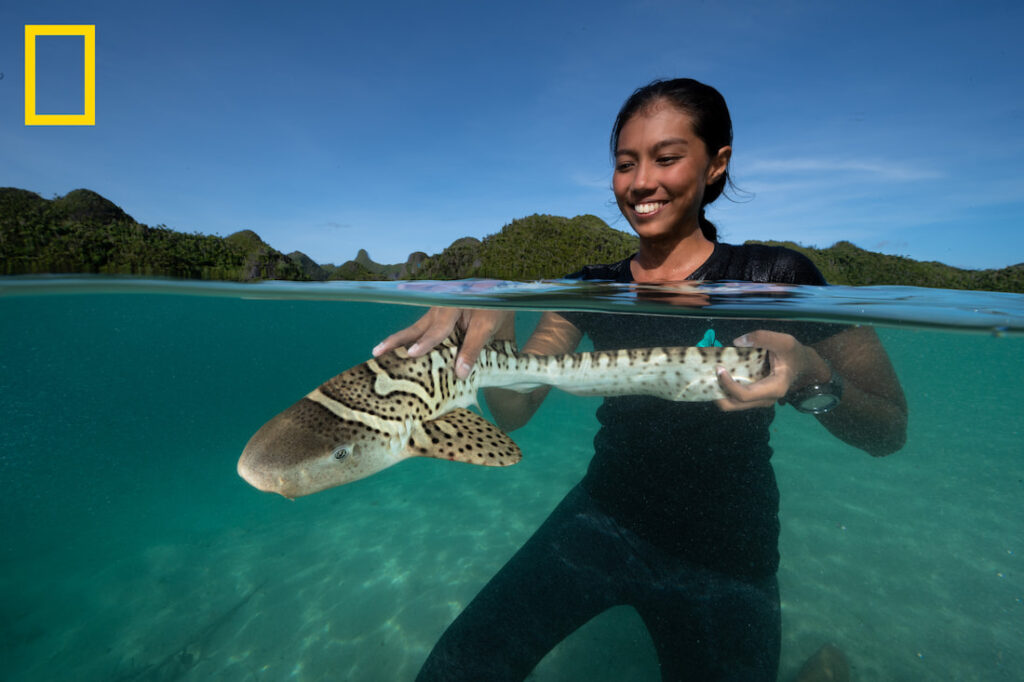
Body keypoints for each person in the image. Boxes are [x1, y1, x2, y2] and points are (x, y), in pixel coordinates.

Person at [373, 78, 907, 682]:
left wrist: (812, 376)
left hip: (730, 552)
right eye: (626, 164)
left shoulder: (779, 276)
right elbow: (515, 412)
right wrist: (495, 325)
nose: (641, 181)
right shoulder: (593, 288)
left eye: (667, 157)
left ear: (716, 165)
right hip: (602, 517)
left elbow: (888, 428)